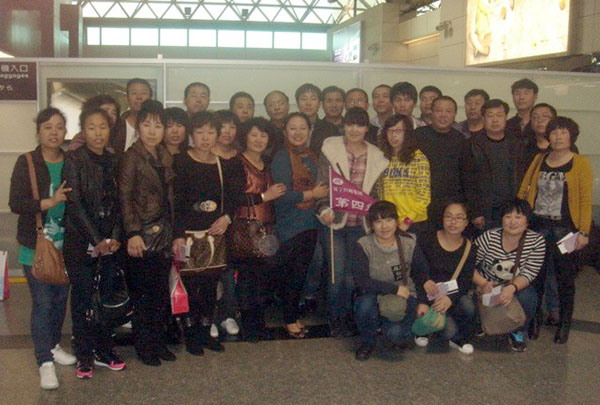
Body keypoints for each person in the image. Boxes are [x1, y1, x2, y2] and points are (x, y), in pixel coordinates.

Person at [9, 107, 76, 390]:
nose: (54, 132)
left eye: (59, 127)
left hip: (66, 245)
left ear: (66, 131)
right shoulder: (27, 162)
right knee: (43, 302)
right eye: (48, 126)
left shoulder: (71, 161)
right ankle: (44, 361)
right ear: (38, 131)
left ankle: (53, 345)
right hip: (35, 245)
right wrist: (50, 202)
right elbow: (16, 203)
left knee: (60, 300)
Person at [172, 111, 244, 355]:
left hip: (214, 236)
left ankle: (205, 331)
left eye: (211, 132)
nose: (205, 137)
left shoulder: (223, 164)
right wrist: (177, 234)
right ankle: (191, 334)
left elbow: (233, 198)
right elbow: (175, 201)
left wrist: (227, 217)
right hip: (187, 235)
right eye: (200, 132)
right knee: (189, 287)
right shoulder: (180, 162)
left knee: (211, 286)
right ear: (191, 135)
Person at [62, 108, 126, 378]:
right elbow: (74, 204)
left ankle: (104, 350)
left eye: (103, 127)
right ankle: (84, 354)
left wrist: (115, 237)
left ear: (110, 129)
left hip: (110, 243)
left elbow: (121, 203)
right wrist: (96, 239)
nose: (98, 133)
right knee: (83, 297)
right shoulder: (73, 159)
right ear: (82, 130)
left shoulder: (115, 159)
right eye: (91, 127)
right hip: (80, 241)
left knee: (106, 298)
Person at [518, 117, 593, 344]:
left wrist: (584, 232)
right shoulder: (539, 159)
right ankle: (535, 320)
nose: (558, 137)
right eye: (554, 132)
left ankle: (564, 323)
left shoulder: (580, 163)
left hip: (566, 231)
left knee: (564, 278)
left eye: (563, 132)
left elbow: (585, 200)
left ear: (571, 136)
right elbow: (524, 190)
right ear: (548, 136)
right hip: (539, 228)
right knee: (536, 276)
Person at [315, 107, 389, 337]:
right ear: (344, 126)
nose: (354, 129)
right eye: (350, 124)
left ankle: (347, 318)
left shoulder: (377, 156)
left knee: (351, 278)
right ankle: (334, 319)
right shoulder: (330, 149)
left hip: (361, 225)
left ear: (367, 128)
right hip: (334, 223)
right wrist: (323, 209)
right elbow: (322, 185)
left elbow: (377, 194)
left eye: (360, 125)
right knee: (336, 276)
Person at [118, 100, 175, 366]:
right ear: (138, 127)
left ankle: (158, 342)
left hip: (163, 234)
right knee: (143, 295)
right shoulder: (131, 157)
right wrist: (133, 232)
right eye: (147, 124)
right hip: (141, 235)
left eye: (158, 125)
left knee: (160, 293)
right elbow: (124, 197)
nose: (152, 131)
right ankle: (145, 346)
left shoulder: (164, 155)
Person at [271, 113, 328, 338]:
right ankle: (289, 318)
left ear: (309, 131)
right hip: (291, 223)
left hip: (311, 222)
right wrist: (312, 193)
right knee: (293, 273)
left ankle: (291, 314)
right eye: (292, 128)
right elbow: (281, 195)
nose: (298, 133)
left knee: (300, 272)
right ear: (285, 131)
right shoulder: (282, 156)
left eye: (302, 128)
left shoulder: (311, 156)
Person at [352, 201, 428, 361]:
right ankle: (367, 342)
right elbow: (362, 280)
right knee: (364, 305)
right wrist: (394, 289)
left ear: (396, 221)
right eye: (378, 221)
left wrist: (422, 302)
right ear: (371, 224)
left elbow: (421, 274)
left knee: (396, 334)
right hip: (374, 294)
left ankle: (389, 328)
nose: (384, 226)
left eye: (388, 220)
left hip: (405, 296)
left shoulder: (409, 242)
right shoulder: (363, 245)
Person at [233, 117, 286, 341]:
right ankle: (249, 326)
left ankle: (259, 322)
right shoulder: (237, 163)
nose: (258, 139)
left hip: (267, 229)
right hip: (245, 229)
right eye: (254, 134)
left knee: (263, 278)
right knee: (247, 278)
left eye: (263, 135)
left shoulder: (268, 162)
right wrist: (264, 196)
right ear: (245, 137)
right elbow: (234, 197)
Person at [473, 199, 546, 352]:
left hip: (513, 285)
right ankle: (481, 321)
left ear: (527, 221)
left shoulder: (536, 241)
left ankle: (518, 331)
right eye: (508, 216)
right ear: (502, 219)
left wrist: (511, 288)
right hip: (487, 284)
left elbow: (530, 272)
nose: (512, 222)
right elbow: (468, 265)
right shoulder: (488, 237)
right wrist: (483, 283)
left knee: (529, 297)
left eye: (518, 217)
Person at [415, 96, 483, 230]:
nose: (443, 115)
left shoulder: (461, 141)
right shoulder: (417, 136)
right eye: (439, 111)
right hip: (419, 206)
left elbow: (468, 178)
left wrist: (475, 210)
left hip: (451, 208)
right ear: (431, 112)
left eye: (448, 111)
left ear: (454, 114)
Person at [418, 201, 477, 354]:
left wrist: (450, 299)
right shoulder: (427, 239)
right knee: (448, 331)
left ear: (466, 222)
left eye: (459, 218)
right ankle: (424, 327)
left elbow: (465, 281)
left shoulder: (469, 248)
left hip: (450, 294)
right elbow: (416, 269)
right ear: (442, 219)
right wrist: (424, 291)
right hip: (427, 293)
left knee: (468, 305)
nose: (453, 222)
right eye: (449, 216)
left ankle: (458, 336)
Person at [210, 110, 241, 339]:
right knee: (209, 272)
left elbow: (238, 194)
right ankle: (209, 316)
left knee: (229, 273)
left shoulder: (239, 157)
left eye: (232, 127)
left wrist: (228, 217)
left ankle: (227, 315)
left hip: (232, 222)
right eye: (222, 127)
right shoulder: (204, 155)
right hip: (207, 222)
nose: (227, 132)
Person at [471, 99, 525, 229]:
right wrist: (476, 212)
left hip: (511, 208)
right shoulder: (472, 144)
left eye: (499, 115)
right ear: (483, 118)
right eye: (490, 115)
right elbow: (468, 181)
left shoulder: (517, 143)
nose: (495, 120)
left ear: (506, 117)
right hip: (485, 210)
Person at [376, 114, 430, 236]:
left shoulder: (418, 158)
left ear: (407, 133)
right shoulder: (382, 158)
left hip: (414, 222)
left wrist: (407, 221)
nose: (393, 135)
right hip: (389, 221)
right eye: (390, 131)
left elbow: (424, 197)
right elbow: (380, 192)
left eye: (398, 131)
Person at [294, 83, 339, 155]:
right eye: (304, 99)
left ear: (319, 104)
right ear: (297, 103)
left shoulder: (330, 129)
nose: (308, 103)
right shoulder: (289, 127)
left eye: (313, 99)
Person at [114, 78, 153, 155]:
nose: (139, 97)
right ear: (127, 98)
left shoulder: (158, 127)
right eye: (134, 93)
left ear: (150, 98)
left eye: (143, 93)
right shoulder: (116, 126)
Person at [264, 90, 290, 155]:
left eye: (281, 103)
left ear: (288, 106)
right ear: (266, 109)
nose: (277, 108)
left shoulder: (298, 127)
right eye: (271, 105)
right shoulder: (263, 129)